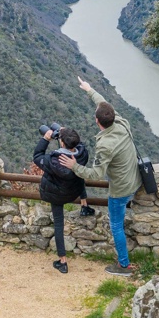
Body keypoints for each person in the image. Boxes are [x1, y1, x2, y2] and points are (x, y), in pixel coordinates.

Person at [59, 77, 141, 276]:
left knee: (116, 225)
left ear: (97, 121)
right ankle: (125, 261)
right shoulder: (121, 122)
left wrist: (74, 166)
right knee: (119, 222)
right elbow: (103, 104)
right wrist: (89, 89)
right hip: (135, 179)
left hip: (121, 188)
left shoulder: (105, 145)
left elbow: (96, 173)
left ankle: (124, 265)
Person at [33, 125, 92, 273]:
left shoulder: (54, 160)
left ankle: (63, 261)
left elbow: (37, 156)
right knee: (79, 175)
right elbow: (80, 145)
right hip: (74, 192)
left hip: (57, 195)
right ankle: (84, 205)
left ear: (62, 143)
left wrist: (46, 138)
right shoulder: (82, 154)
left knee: (59, 224)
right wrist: (67, 133)